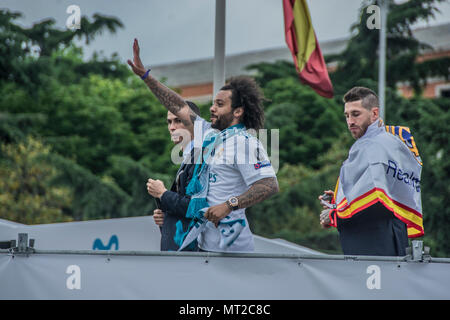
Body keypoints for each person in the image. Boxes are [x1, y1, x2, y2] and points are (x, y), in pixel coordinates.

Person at [128, 38, 279, 253]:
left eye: (219, 104)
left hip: (233, 248)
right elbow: (177, 104)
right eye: (212, 103)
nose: (212, 109)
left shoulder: (245, 141)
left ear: (237, 111)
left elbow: (269, 185)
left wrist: (229, 205)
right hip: (204, 244)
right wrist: (145, 76)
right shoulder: (209, 134)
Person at [319, 86, 424, 256]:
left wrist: (334, 215)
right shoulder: (388, 141)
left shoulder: (374, 145)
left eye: (356, 114)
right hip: (389, 236)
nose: (350, 121)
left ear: (374, 114)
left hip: (375, 242)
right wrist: (339, 200)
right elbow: (386, 191)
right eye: (347, 115)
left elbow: (376, 201)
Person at [147, 101, 201, 251]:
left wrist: (163, 194)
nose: (172, 127)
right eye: (169, 122)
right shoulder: (190, 156)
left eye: (178, 121)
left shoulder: (200, 157)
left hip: (191, 255)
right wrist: (167, 218)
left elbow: (195, 207)